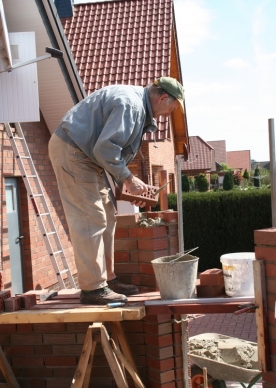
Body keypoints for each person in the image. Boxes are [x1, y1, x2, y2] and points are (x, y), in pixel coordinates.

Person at [48, 76, 184, 305]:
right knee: (91, 217)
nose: (166, 116)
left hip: (88, 156)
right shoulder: (130, 105)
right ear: (162, 98)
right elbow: (105, 149)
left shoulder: (137, 106)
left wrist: (130, 187)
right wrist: (130, 180)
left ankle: (108, 280)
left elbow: (109, 152)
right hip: (73, 151)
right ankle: (93, 289)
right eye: (170, 110)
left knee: (108, 215)